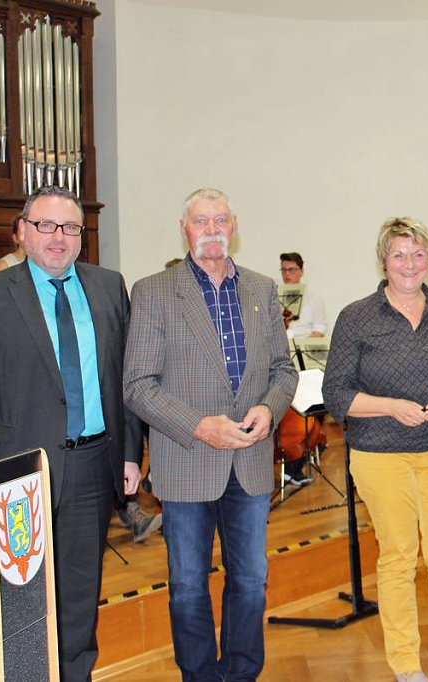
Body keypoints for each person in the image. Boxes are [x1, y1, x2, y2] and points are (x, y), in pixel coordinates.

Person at [0, 185, 144, 682]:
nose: (59, 237)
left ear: (82, 235)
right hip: (18, 475)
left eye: (70, 227)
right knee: (21, 598)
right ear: (22, 231)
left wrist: (129, 451)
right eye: (46, 225)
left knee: (80, 594)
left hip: (92, 465)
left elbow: (124, 378)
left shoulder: (108, 286)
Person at [123, 187, 297, 682]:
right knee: (187, 587)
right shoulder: (154, 291)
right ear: (185, 230)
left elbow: (284, 370)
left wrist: (269, 408)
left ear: (234, 227)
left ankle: (241, 673)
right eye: (201, 221)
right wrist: (200, 426)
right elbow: (137, 385)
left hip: (250, 462)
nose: (212, 230)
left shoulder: (261, 289)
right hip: (187, 461)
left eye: (221, 220)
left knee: (251, 581)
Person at [323, 217, 428, 682]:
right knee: (398, 556)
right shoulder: (357, 317)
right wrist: (391, 406)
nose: (409, 263)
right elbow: (337, 394)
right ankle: (407, 666)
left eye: (418, 254)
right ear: (383, 261)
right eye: (398, 254)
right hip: (380, 455)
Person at [279, 251, 327, 338]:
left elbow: (319, 329)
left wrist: (302, 345)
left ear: (301, 271)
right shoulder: (274, 299)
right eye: (284, 270)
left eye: (291, 270)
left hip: (304, 343)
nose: (287, 274)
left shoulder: (314, 299)